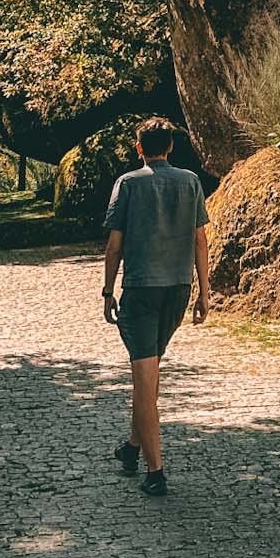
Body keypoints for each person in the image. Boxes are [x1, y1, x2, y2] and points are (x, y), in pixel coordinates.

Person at [102, 116, 210, 498]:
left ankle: (156, 471)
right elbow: (200, 241)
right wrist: (204, 293)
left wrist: (107, 290)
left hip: (142, 291)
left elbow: (114, 245)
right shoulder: (191, 182)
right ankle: (132, 448)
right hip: (178, 290)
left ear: (139, 148)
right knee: (149, 376)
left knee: (144, 385)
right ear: (171, 147)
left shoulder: (128, 184)